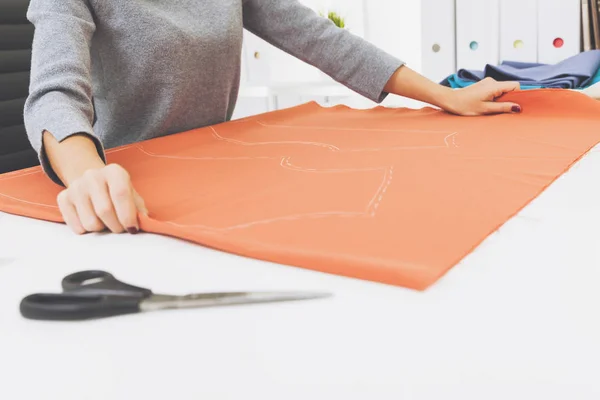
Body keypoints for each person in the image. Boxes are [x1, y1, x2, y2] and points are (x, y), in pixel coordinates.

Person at [24, 0, 521, 236]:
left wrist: (443, 96)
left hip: (220, 176)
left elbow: (324, 41)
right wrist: (88, 177)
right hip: (126, 191)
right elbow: (54, 92)